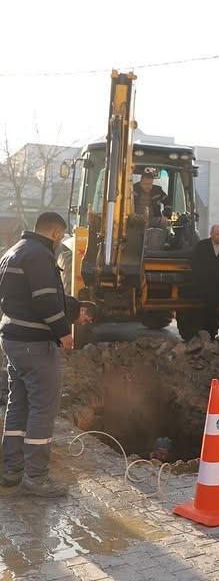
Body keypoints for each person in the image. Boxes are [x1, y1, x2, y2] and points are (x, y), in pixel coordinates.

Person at [0, 212, 73, 496]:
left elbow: (18, 297)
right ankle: (36, 477)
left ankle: (11, 469)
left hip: (13, 340)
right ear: (55, 233)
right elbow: (45, 300)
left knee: (18, 403)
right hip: (34, 344)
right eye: (60, 237)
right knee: (43, 408)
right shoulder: (40, 255)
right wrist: (64, 333)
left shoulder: (13, 252)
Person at [191, 224, 219, 338]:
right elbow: (195, 264)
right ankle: (209, 333)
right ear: (211, 234)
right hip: (207, 285)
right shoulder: (202, 246)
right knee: (208, 309)